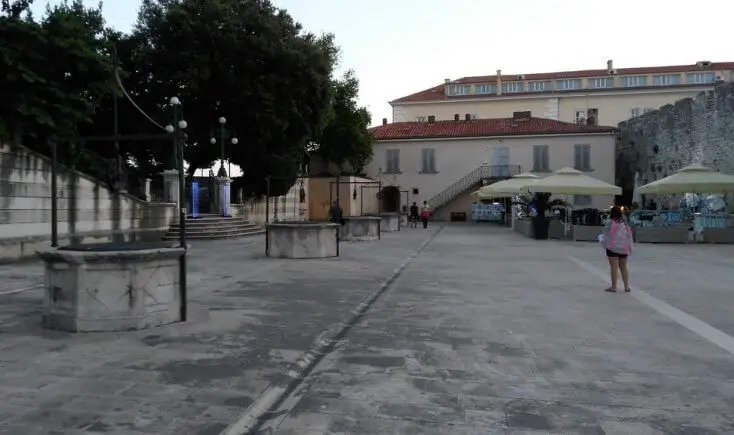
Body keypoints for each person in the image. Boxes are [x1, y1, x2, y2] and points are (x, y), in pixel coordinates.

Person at [602, 206, 633, 293]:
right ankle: (626, 287)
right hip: (624, 248)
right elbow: (629, 235)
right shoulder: (625, 223)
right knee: (624, 268)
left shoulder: (610, 222)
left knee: (614, 268)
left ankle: (614, 287)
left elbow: (605, 234)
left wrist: (604, 244)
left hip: (612, 248)